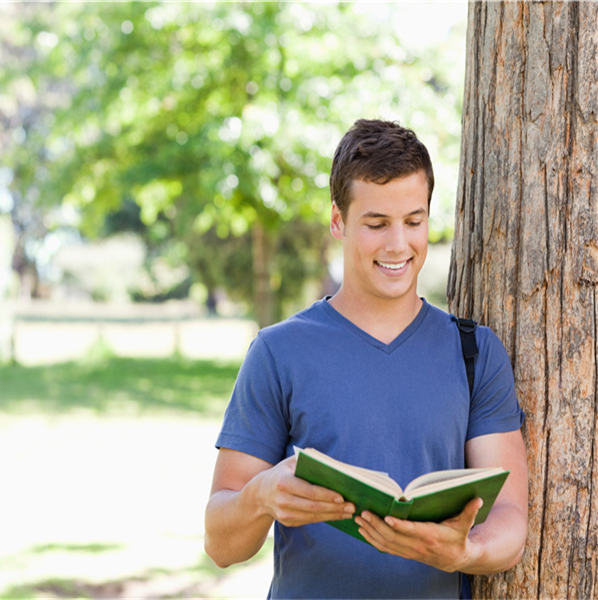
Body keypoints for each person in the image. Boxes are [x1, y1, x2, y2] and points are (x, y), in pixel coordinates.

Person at [204, 119, 528, 599]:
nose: (398, 245)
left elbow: (510, 520)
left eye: (414, 222)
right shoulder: (278, 351)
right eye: (376, 224)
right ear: (338, 221)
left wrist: (466, 552)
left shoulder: (475, 352)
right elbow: (220, 544)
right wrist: (262, 495)